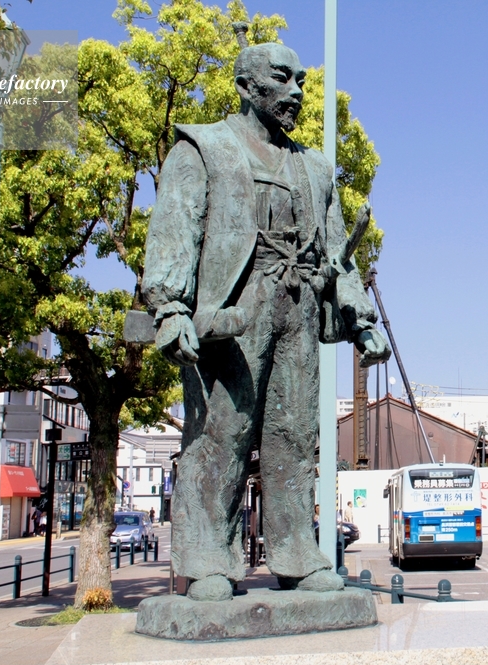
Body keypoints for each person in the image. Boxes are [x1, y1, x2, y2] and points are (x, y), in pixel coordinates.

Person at [142, 41, 390, 602]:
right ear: (246, 86)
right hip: (232, 314)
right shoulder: (203, 148)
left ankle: (297, 551)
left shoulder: (315, 169)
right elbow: (175, 229)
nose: (296, 92)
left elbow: (338, 253)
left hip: (298, 308)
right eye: (282, 79)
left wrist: (360, 320)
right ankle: (208, 558)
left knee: (295, 437)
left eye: (301, 81)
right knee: (222, 433)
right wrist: (171, 308)